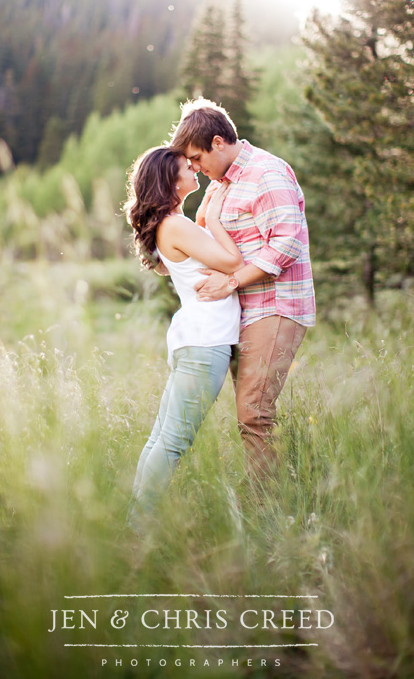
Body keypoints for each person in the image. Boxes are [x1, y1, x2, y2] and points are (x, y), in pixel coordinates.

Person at [170, 98, 315, 484]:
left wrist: (232, 281)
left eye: (197, 157)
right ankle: (280, 492)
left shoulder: (265, 173)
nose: (196, 168)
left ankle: (267, 508)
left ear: (219, 142)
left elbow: (286, 244)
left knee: (253, 411)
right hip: (246, 312)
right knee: (253, 412)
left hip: (276, 305)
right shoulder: (223, 184)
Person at [124, 145, 243, 524]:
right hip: (204, 344)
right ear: (168, 180)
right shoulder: (176, 225)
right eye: (185, 166)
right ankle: (139, 528)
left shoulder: (172, 225)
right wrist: (215, 219)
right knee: (173, 443)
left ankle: (135, 521)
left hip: (193, 341)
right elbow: (232, 261)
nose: (194, 168)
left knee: (162, 438)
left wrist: (203, 221)